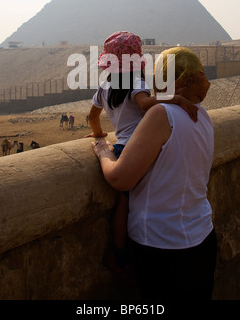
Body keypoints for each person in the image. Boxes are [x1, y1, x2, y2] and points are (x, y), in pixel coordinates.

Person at [91, 46, 217, 300]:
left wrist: (104, 152)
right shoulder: (202, 117)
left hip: (163, 247)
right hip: (203, 240)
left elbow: (119, 178)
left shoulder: (161, 114)